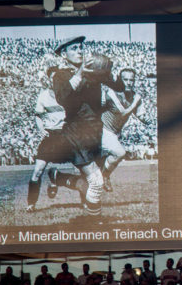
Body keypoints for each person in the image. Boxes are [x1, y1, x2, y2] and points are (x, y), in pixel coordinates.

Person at [48, 36, 110, 217]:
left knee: (88, 182)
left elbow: (117, 87)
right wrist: (81, 73)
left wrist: (108, 70)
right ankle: (93, 222)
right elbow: (64, 98)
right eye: (74, 48)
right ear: (64, 54)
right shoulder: (60, 75)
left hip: (95, 131)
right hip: (75, 133)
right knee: (97, 181)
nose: (80, 51)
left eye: (81, 47)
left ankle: (58, 177)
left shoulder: (92, 73)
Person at [26, 67, 66, 212]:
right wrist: (41, 129)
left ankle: (56, 178)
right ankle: (31, 204)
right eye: (53, 78)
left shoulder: (69, 95)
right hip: (50, 135)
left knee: (84, 168)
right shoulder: (43, 96)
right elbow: (38, 115)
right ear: (49, 79)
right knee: (37, 170)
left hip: (67, 135)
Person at [100, 68, 142, 192]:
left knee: (90, 172)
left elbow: (141, 115)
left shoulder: (134, 96)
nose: (129, 82)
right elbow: (123, 113)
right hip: (103, 130)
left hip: (114, 132)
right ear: (120, 80)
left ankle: (57, 176)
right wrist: (135, 103)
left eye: (131, 80)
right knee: (120, 153)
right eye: (125, 79)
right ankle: (105, 176)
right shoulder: (112, 93)